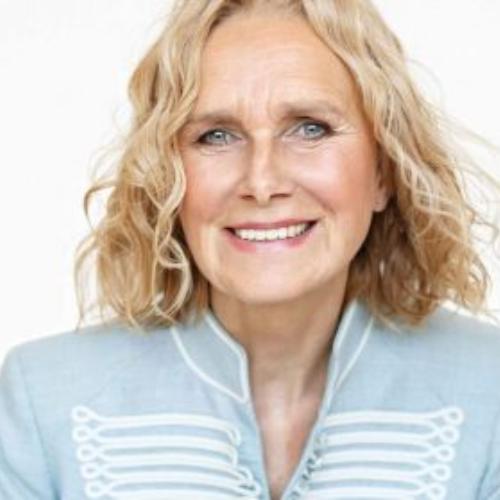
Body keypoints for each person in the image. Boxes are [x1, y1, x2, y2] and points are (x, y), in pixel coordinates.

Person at [1, 0, 500, 498]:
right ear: (166, 177)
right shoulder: (43, 401)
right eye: (216, 136)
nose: (262, 183)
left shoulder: (489, 387)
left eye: (310, 128)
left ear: (384, 171)